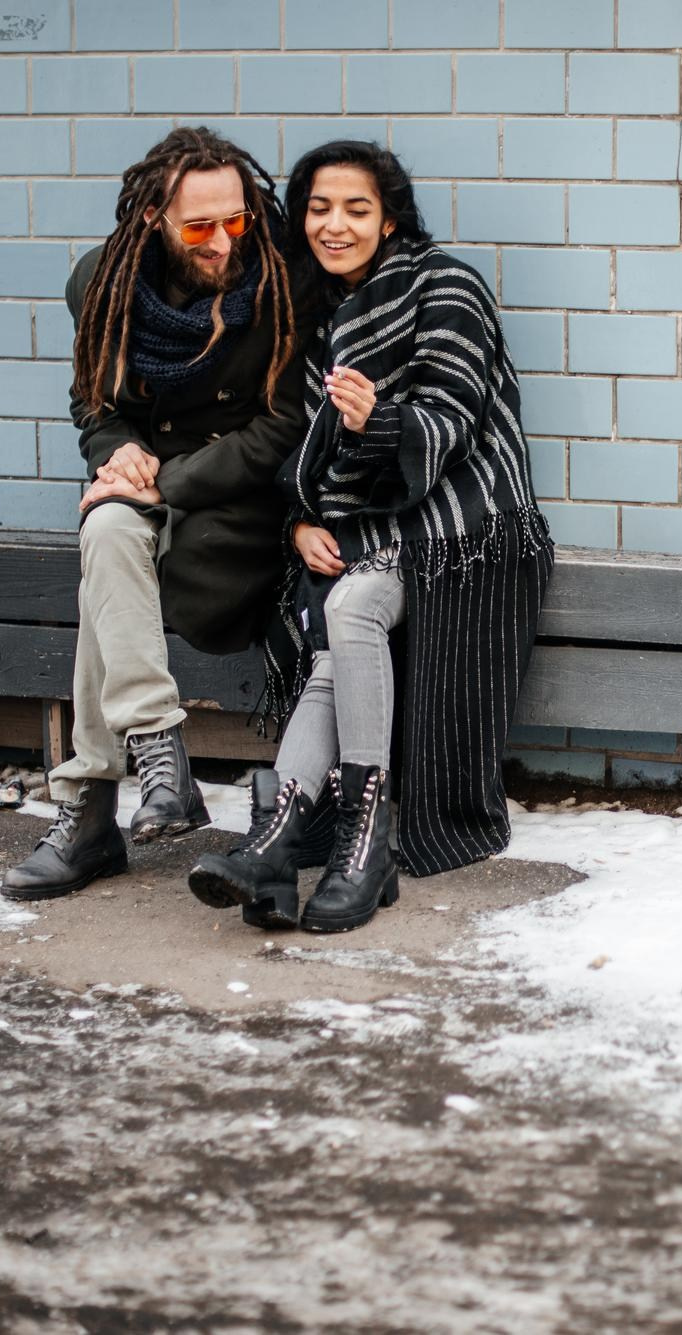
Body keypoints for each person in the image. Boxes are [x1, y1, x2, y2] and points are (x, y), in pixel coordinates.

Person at [186, 140, 554, 933]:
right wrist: (302, 522)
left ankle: (360, 836)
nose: (335, 225)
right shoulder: (320, 324)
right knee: (329, 623)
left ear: (390, 220)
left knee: (347, 609)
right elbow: (306, 460)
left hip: (464, 521)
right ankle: (281, 839)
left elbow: (452, 421)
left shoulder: (446, 286)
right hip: (368, 529)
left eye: (357, 209)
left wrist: (376, 418)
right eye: (319, 208)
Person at [2, 127, 313, 900]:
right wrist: (118, 454)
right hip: (145, 511)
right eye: (199, 226)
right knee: (106, 530)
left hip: (230, 523)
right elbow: (94, 401)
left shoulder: (279, 284)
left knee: (109, 567)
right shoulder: (101, 284)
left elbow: (284, 425)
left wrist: (164, 480)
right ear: (151, 220)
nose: (222, 241)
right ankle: (161, 750)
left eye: (235, 220)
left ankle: (91, 815)